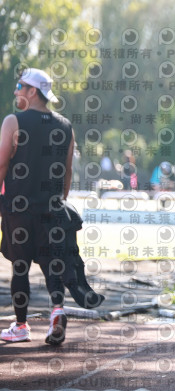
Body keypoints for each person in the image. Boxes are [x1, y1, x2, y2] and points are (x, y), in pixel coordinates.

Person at [0, 68, 75, 344]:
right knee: (52, 265)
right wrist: (60, 202)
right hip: (52, 209)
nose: (16, 90)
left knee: (20, 267)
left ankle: (21, 326)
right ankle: (57, 311)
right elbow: (67, 171)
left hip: (18, 209)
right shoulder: (65, 126)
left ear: (33, 92)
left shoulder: (13, 122)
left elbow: (2, 163)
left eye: (20, 86)